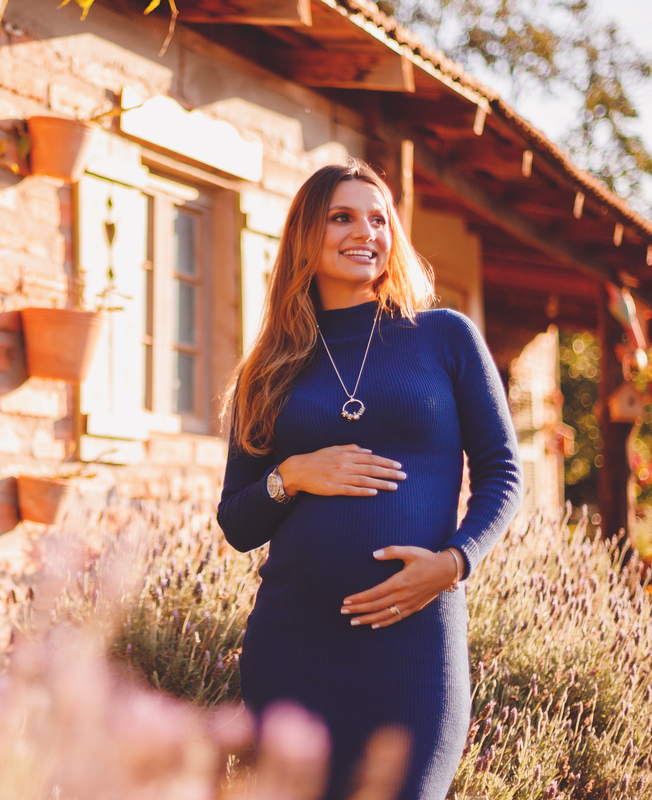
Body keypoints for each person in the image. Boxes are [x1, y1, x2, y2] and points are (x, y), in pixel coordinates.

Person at [216, 161, 522, 800]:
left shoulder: (444, 337)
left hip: (413, 646)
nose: (366, 232)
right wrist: (292, 474)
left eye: (379, 219)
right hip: (293, 645)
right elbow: (238, 523)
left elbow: (502, 473)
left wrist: (454, 563)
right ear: (307, 235)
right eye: (342, 217)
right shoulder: (269, 369)